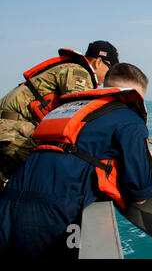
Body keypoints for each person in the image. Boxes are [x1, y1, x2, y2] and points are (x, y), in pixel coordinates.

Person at [0, 63, 152, 259]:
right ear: (137, 95)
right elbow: (140, 192)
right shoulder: (129, 119)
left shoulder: (66, 109)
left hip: (9, 201)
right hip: (51, 217)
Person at [0, 40, 119, 188]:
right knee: (53, 171)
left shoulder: (69, 68)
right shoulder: (79, 73)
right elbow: (81, 115)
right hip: (12, 130)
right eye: (110, 69)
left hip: (9, 129)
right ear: (99, 62)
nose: (108, 78)